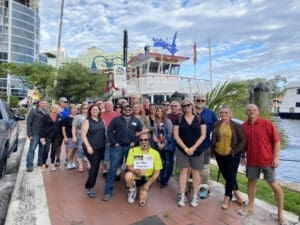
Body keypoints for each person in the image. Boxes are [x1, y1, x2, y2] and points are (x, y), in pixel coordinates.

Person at [239, 104, 287, 225]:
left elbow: (276, 142)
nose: (251, 112)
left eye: (254, 110)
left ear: (258, 112)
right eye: (249, 110)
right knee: (251, 183)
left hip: (267, 161)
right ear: (246, 112)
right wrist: (243, 156)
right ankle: (250, 206)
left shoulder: (267, 123)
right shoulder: (244, 126)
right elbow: (244, 144)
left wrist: (276, 158)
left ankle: (281, 213)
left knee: (274, 185)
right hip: (252, 160)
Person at [103, 104, 143, 201]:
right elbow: (109, 131)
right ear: (122, 110)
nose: (128, 111)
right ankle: (108, 191)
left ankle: (131, 187)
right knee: (112, 168)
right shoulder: (116, 120)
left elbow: (140, 132)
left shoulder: (136, 120)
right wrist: (114, 142)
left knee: (131, 168)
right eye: (126, 109)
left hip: (131, 147)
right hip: (118, 147)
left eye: (130, 109)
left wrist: (135, 141)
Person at [211, 106, 246, 209]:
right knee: (227, 175)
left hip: (232, 155)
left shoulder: (237, 126)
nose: (223, 114)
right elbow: (213, 138)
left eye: (226, 112)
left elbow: (243, 141)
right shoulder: (216, 125)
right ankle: (236, 193)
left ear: (230, 114)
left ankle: (227, 197)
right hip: (218, 154)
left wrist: (234, 151)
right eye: (221, 113)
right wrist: (212, 150)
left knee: (230, 176)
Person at [173, 98, 206, 207]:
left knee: (196, 172)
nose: (186, 107)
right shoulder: (178, 119)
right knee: (183, 171)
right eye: (184, 106)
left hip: (197, 150)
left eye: (188, 105)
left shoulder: (200, 119)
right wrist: (186, 148)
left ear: (192, 105)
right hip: (182, 150)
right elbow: (176, 135)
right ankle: (182, 194)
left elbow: (203, 135)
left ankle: (195, 196)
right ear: (182, 108)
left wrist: (193, 147)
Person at [125, 133, 162, 206]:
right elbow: (129, 166)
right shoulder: (133, 150)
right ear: (139, 141)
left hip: (147, 178)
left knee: (142, 200)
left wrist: (148, 184)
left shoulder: (155, 153)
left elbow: (157, 172)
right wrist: (136, 171)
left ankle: (143, 189)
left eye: (145, 140)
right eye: (141, 140)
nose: (143, 142)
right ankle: (132, 189)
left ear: (149, 141)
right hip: (135, 176)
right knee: (128, 175)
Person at [194, 95, 218, 198]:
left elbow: (216, 128)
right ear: (195, 101)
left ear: (205, 101)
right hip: (191, 146)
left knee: (205, 168)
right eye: (198, 100)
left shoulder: (210, 113)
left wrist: (215, 143)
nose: (200, 102)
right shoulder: (189, 111)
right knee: (193, 168)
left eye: (202, 100)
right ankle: (193, 187)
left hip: (205, 145)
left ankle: (202, 188)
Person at [81, 104, 106, 198]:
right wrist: (88, 146)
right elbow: (83, 135)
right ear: (90, 111)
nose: (95, 111)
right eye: (93, 109)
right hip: (91, 148)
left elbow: (105, 132)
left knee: (101, 166)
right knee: (95, 167)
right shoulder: (87, 121)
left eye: (97, 109)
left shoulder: (101, 120)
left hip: (102, 147)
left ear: (99, 111)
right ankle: (89, 187)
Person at [152, 106, 175, 188]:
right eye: (158, 111)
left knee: (168, 163)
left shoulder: (168, 121)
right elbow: (154, 132)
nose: (159, 113)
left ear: (163, 112)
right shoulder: (155, 121)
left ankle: (165, 181)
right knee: (162, 163)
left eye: (161, 111)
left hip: (167, 145)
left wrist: (163, 144)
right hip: (158, 145)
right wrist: (158, 143)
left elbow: (170, 134)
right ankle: (162, 178)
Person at [26, 99, 48, 172]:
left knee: (42, 149)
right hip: (35, 133)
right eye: (43, 103)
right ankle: (29, 165)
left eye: (45, 103)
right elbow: (28, 123)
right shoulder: (33, 111)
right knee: (32, 149)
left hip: (43, 134)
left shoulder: (47, 112)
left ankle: (40, 162)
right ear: (39, 104)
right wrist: (29, 134)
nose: (44, 104)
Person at [40, 104, 62, 171]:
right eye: (53, 107)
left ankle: (52, 164)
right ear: (50, 108)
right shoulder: (46, 116)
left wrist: (61, 136)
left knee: (54, 150)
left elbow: (60, 127)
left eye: (55, 108)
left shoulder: (59, 116)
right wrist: (42, 136)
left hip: (56, 136)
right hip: (47, 136)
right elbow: (42, 127)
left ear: (57, 109)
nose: (54, 109)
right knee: (46, 150)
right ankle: (43, 164)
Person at [101, 101, 120, 176]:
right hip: (103, 135)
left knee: (116, 151)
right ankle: (105, 167)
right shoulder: (101, 114)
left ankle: (116, 167)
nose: (108, 106)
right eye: (106, 105)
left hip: (116, 135)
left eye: (109, 105)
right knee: (106, 151)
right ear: (104, 106)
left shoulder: (117, 113)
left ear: (113, 106)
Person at [72, 103, 90, 172]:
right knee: (80, 150)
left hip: (90, 136)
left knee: (89, 149)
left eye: (87, 108)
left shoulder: (91, 116)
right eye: (84, 108)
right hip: (80, 135)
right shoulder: (78, 117)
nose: (85, 109)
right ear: (81, 109)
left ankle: (89, 162)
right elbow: (74, 127)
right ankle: (80, 165)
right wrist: (74, 136)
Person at [55, 97, 71, 166]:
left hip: (66, 130)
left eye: (66, 102)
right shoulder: (55, 108)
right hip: (57, 130)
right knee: (58, 145)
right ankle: (58, 159)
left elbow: (68, 117)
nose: (66, 103)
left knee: (68, 145)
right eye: (64, 102)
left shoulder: (68, 110)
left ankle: (67, 159)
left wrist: (61, 113)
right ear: (60, 102)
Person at [62, 104, 77, 170]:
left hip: (77, 137)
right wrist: (65, 137)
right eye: (73, 109)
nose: (75, 110)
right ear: (70, 110)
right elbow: (63, 128)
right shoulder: (66, 118)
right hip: (69, 136)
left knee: (74, 151)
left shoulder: (78, 117)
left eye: (76, 109)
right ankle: (68, 163)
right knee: (70, 151)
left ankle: (72, 162)